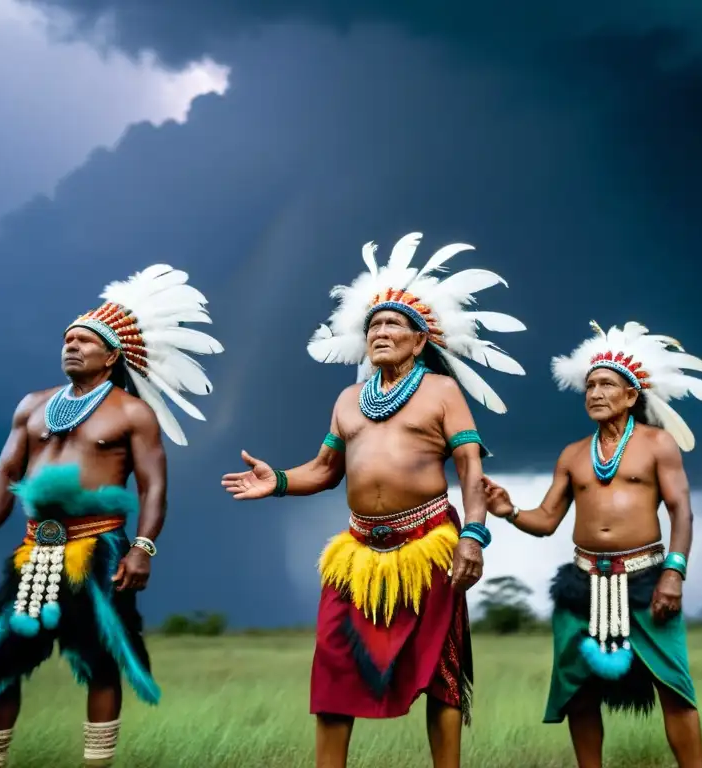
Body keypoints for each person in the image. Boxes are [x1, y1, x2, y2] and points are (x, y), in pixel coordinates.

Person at [220, 232, 525, 768]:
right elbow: (324, 469)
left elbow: (471, 468)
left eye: (393, 325)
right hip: (358, 553)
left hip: (431, 544)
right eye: (374, 326)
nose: (381, 332)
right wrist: (280, 481)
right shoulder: (347, 401)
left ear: (418, 339)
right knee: (335, 663)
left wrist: (474, 537)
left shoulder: (442, 393)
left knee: (441, 672)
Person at [0, 264, 223, 767]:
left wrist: (143, 548)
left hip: (99, 547)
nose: (71, 346)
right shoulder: (33, 406)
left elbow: (154, 486)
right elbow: (3, 474)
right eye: (68, 339)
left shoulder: (131, 413)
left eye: (84, 340)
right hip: (34, 550)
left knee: (101, 663)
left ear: (112, 355)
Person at [483, 320, 702, 768]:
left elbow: (682, 512)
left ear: (631, 395)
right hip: (582, 582)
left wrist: (674, 571)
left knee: (674, 686)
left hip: (648, 578)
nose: (595, 392)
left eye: (607, 384)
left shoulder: (657, 444)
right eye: (589, 385)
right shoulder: (573, 455)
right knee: (579, 690)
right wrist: (509, 510)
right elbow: (548, 519)